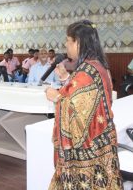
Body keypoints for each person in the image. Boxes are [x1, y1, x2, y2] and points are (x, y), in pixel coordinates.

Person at [45, 20, 123, 189]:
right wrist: (66, 78)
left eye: (68, 40)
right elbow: (82, 99)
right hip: (101, 140)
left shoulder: (86, 72)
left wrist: (55, 97)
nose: (66, 44)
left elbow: (75, 108)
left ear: (78, 43)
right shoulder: (98, 66)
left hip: (87, 147)